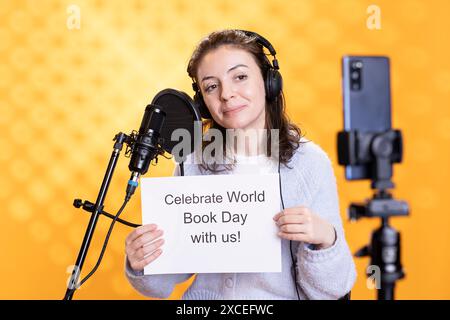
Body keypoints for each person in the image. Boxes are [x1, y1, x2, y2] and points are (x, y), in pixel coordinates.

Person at [124, 29, 356, 300]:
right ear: (202, 102)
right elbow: (161, 286)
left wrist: (325, 239)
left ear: (270, 82)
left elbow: (332, 291)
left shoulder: (310, 164)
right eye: (211, 86)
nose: (226, 94)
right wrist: (141, 260)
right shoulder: (193, 161)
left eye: (240, 77)